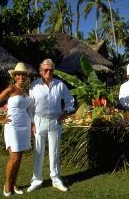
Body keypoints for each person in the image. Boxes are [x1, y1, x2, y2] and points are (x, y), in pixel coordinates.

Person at [27, 59, 75, 193]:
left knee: (54, 151)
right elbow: (30, 106)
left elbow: (70, 100)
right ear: (41, 71)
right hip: (38, 120)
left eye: (51, 70)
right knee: (38, 151)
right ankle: (36, 180)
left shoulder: (60, 85)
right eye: (46, 70)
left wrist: (65, 114)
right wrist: (31, 123)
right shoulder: (34, 86)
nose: (48, 72)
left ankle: (55, 179)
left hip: (55, 121)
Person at [0, 63, 33, 197]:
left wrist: (31, 124)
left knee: (19, 158)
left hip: (25, 126)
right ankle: (7, 185)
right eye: (19, 75)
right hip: (13, 126)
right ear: (15, 77)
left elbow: (27, 109)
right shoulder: (11, 89)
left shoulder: (26, 92)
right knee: (14, 158)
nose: (21, 77)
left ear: (26, 77)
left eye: (23, 75)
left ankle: (14, 183)